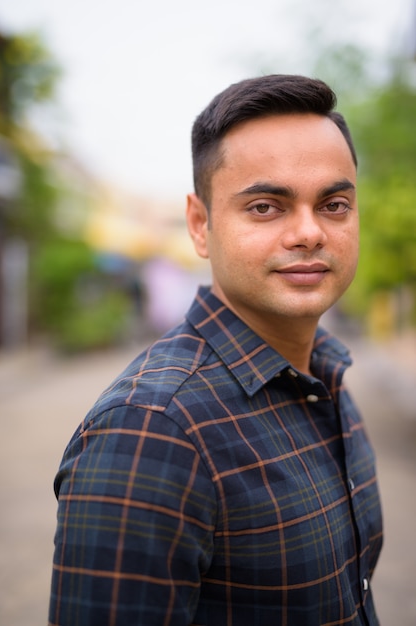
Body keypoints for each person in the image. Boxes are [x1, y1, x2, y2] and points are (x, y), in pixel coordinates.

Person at [48, 74, 383, 625]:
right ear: (200, 226)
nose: (309, 233)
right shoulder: (152, 431)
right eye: (265, 207)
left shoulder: (326, 374)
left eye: (335, 204)